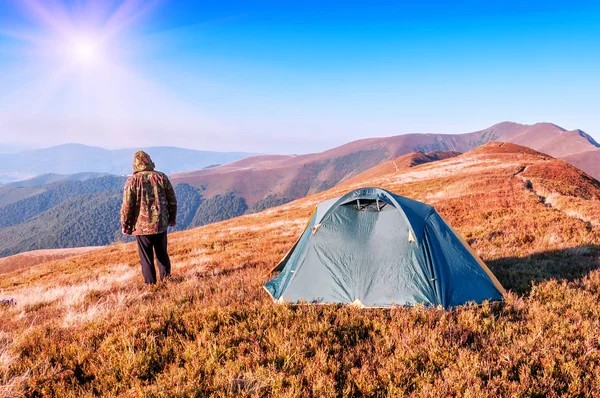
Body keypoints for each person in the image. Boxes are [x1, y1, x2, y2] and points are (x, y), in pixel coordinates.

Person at [120, 151, 177, 284]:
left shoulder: (132, 181)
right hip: (160, 223)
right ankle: (166, 281)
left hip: (142, 226)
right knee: (162, 253)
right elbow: (172, 200)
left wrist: (126, 225)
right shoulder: (161, 177)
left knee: (146, 257)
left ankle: (151, 285)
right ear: (150, 162)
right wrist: (172, 218)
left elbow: (127, 205)